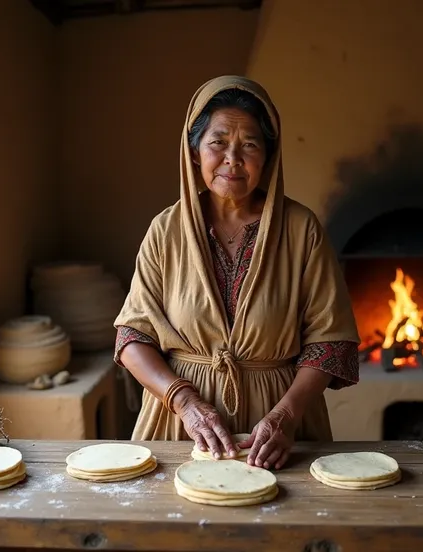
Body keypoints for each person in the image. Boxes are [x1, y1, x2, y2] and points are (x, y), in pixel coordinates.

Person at [113, 75, 360, 470]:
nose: (233, 158)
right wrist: (185, 401)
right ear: (194, 152)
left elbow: (331, 343)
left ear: (269, 157)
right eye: (218, 142)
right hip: (179, 425)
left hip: (280, 430)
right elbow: (132, 336)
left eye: (250, 145)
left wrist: (286, 416)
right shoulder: (166, 230)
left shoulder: (301, 230)